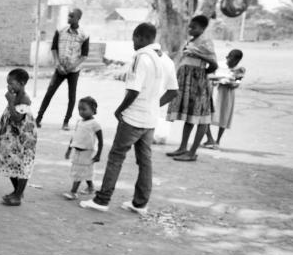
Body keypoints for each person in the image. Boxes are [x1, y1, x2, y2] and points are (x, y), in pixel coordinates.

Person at [82, 22, 178, 215]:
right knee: (145, 161)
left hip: (133, 118)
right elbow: (173, 91)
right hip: (150, 120)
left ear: (140, 38)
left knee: (116, 157)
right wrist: (152, 105)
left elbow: (133, 90)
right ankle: (140, 203)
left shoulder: (140, 57)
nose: (133, 43)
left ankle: (102, 199)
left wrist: (119, 111)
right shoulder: (166, 59)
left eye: (134, 38)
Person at [165, 14, 218, 161]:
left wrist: (201, 72)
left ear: (202, 28)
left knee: (201, 118)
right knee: (190, 117)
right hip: (187, 82)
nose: (190, 29)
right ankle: (183, 148)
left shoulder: (206, 42)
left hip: (199, 83)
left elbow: (214, 64)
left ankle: (192, 152)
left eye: (193, 27)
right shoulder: (191, 41)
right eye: (190, 26)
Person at [36, 8, 90, 130]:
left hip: (73, 71)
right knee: (49, 93)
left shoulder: (84, 35)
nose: (69, 18)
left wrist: (72, 66)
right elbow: (54, 48)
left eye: (72, 16)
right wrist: (57, 64)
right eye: (68, 16)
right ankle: (38, 119)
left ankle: (66, 122)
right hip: (59, 69)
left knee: (71, 96)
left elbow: (84, 55)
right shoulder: (60, 31)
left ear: (78, 18)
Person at [0, 68, 37, 206]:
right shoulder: (15, 96)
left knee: (23, 166)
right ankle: (17, 191)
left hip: (23, 141)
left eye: (12, 84)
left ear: (22, 83)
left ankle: (18, 196)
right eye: (7, 83)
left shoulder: (24, 99)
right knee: (11, 163)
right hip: (12, 140)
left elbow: (17, 118)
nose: (9, 87)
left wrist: (10, 102)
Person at [203, 49, 246, 149]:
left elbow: (238, 83)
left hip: (228, 94)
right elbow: (209, 76)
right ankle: (210, 138)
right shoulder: (219, 65)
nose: (232, 63)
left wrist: (233, 84)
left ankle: (217, 141)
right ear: (227, 57)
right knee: (207, 115)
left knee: (224, 115)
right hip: (214, 91)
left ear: (238, 61)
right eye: (231, 60)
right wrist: (220, 78)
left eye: (235, 62)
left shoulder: (240, 69)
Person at [63, 96, 104, 199]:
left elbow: (101, 141)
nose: (81, 112)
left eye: (84, 109)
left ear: (93, 109)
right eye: (79, 109)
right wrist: (69, 149)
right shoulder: (79, 122)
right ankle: (91, 188)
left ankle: (73, 192)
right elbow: (74, 136)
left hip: (87, 152)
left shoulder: (95, 124)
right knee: (86, 171)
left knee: (79, 172)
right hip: (77, 151)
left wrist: (98, 154)